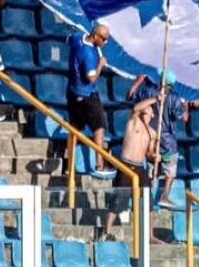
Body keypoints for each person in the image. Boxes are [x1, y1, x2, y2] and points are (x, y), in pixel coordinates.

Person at [127, 71, 189, 207]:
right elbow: (184, 118)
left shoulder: (147, 91)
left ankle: (145, 196)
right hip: (167, 142)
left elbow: (130, 96)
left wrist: (138, 81)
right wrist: (185, 104)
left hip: (149, 138)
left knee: (150, 169)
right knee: (170, 171)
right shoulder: (174, 98)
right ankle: (164, 196)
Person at [103, 93, 159, 233]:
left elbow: (148, 153)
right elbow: (135, 108)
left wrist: (154, 157)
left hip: (140, 167)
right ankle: (106, 231)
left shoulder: (152, 133)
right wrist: (155, 99)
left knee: (147, 200)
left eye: (148, 110)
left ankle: (149, 234)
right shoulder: (133, 121)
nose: (145, 111)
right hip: (126, 165)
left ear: (152, 114)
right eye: (144, 109)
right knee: (118, 200)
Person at [66, 23, 114, 174]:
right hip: (87, 94)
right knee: (99, 128)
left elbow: (68, 39)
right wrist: (100, 65)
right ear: (96, 36)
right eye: (104, 39)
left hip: (72, 92)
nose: (105, 42)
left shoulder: (78, 37)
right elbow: (91, 78)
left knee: (74, 128)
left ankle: (69, 165)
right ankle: (100, 165)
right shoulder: (88, 54)